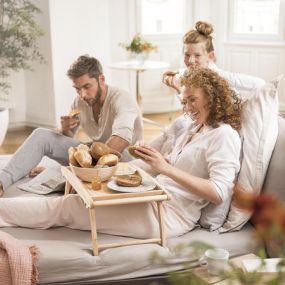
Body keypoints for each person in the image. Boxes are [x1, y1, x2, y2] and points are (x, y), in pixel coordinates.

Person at [0, 68, 242, 239]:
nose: (187, 108)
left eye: (193, 100)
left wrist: (165, 167)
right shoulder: (194, 127)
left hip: (166, 216)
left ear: (211, 97)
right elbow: (179, 166)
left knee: (66, 208)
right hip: (154, 196)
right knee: (76, 198)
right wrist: (155, 158)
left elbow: (219, 193)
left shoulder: (224, 135)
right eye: (184, 101)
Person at [0, 55, 143, 196]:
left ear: (101, 79)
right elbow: (66, 143)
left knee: (116, 152)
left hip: (123, 158)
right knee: (41, 135)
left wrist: (78, 169)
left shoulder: (122, 98)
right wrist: (64, 129)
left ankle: (70, 175)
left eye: (87, 86)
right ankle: (2, 182)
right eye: (77, 89)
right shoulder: (79, 102)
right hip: (92, 154)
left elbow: (122, 138)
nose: (83, 95)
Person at [162, 21, 265, 94]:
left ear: (210, 56)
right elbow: (190, 110)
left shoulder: (220, 76)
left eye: (197, 55)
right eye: (187, 54)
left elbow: (260, 84)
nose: (190, 60)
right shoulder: (186, 74)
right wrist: (175, 84)